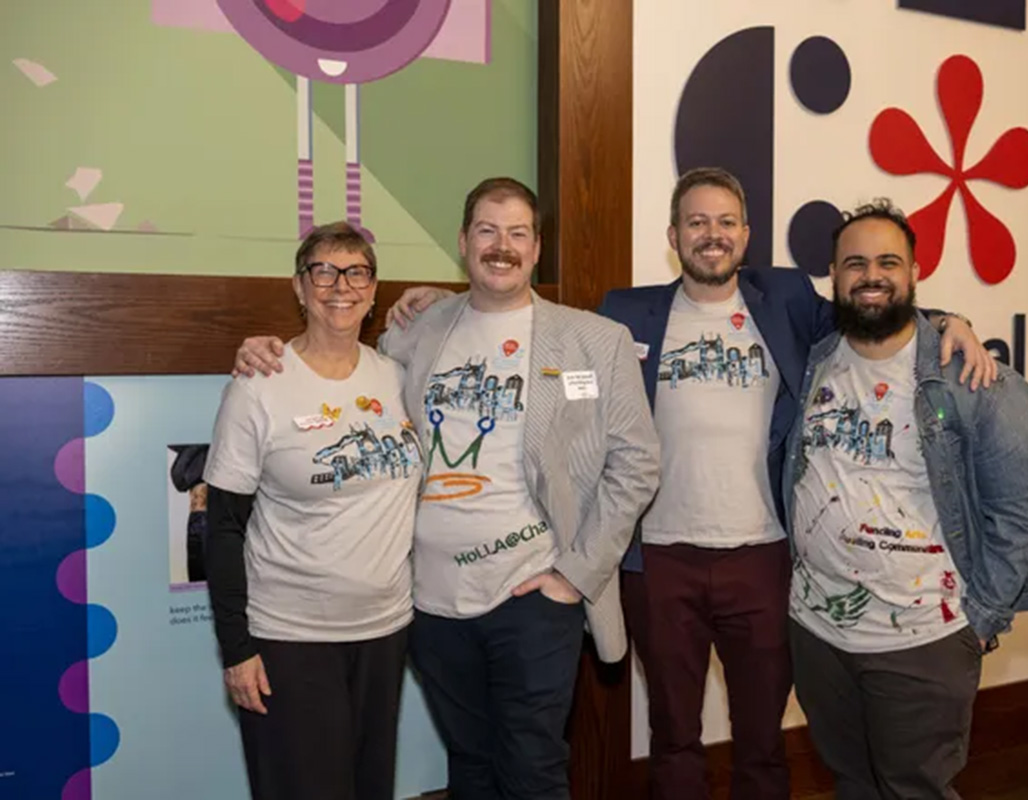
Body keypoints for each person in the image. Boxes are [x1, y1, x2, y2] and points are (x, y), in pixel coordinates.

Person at [385, 168, 996, 800]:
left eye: (726, 222)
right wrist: (438, 299)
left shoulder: (784, 301)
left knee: (762, 739)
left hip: (763, 556)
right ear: (673, 236)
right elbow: (516, 321)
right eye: (697, 223)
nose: (712, 235)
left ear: (746, 235)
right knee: (673, 735)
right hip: (659, 561)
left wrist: (951, 319)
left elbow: (871, 304)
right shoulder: (626, 314)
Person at [231, 177, 660, 800]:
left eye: (517, 233)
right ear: (464, 243)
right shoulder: (417, 331)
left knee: (534, 770)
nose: (501, 246)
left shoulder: (595, 341)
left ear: (537, 248)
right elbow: (340, 369)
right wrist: (262, 351)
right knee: (470, 766)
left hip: (535, 592)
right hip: (432, 603)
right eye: (487, 231)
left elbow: (637, 463)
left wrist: (575, 574)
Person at [783, 200, 1028, 799]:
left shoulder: (975, 380)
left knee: (916, 789)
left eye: (888, 262)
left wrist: (979, 619)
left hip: (924, 639)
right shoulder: (817, 359)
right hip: (818, 632)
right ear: (833, 274)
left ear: (914, 272)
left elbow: (1021, 514)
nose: (871, 276)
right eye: (855, 264)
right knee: (851, 783)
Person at [204, 222, 424, 800]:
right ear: (299, 288)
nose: (339, 285)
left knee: (370, 787)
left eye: (356, 271)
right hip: (291, 638)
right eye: (322, 271)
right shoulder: (260, 386)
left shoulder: (396, 377)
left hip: (385, 631)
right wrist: (237, 648)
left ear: (375, 290)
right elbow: (223, 528)